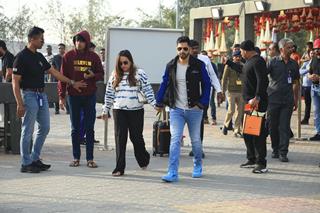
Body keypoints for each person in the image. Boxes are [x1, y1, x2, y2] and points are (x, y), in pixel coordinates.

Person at [12, 26, 87, 173]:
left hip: (41, 96)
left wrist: (71, 82)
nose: (43, 41)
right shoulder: (21, 57)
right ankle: (25, 163)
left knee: (45, 127)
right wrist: (20, 103)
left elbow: (54, 72)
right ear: (32, 39)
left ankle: (35, 158)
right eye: (41, 38)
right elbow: (15, 82)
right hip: (29, 95)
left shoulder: (39, 57)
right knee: (27, 130)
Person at [156, 36, 211, 182]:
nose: (182, 51)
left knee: (196, 141)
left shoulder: (198, 65)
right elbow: (164, 83)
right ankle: (172, 172)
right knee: (175, 139)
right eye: (179, 49)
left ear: (189, 49)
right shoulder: (171, 65)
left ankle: (197, 165)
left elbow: (207, 84)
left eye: (185, 48)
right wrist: (159, 101)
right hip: (176, 110)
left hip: (195, 109)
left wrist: (202, 103)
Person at [102, 50, 155, 176]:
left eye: (125, 62)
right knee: (120, 138)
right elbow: (109, 93)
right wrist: (106, 110)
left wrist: (155, 104)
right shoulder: (115, 75)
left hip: (136, 111)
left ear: (131, 61)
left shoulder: (139, 73)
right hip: (119, 110)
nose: (123, 66)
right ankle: (119, 168)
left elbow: (148, 90)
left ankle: (143, 158)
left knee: (136, 137)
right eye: (120, 64)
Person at [58, 30, 104, 168]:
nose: (79, 43)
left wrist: (92, 76)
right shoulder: (68, 56)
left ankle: (90, 158)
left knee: (90, 127)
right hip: (73, 97)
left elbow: (101, 74)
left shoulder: (94, 57)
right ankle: (76, 157)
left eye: (82, 41)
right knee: (75, 128)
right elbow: (62, 77)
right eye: (77, 40)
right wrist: (61, 97)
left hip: (89, 96)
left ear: (87, 42)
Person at [223, 40, 269, 173]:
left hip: (256, 103)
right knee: (248, 132)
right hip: (248, 103)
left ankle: (261, 163)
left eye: (242, 51)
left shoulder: (258, 61)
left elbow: (263, 80)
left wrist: (258, 97)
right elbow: (243, 71)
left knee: (257, 133)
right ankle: (252, 158)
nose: (241, 54)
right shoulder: (249, 62)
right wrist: (229, 63)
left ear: (247, 50)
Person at [267, 38, 300, 162]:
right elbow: (263, 77)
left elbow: (296, 82)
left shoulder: (294, 64)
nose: (292, 49)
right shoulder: (272, 62)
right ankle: (275, 148)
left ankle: (283, 152)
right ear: (281, 49)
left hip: (287, 100)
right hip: (273, 99)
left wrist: (296, 99)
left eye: (292, 47)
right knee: (272, 126)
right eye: (289, 47)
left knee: (284, 127)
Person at [189, 39, 223, 158]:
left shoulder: (204, 59)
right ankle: (193, 145)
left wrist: (219, 90)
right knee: (190, 124)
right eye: (193, 48)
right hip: (185, 99)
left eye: (197, 48)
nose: (195, 50)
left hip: (202, 98)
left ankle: (198, 148)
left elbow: (213, 75)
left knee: (199, 123)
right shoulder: (182, 60)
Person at [221, 50, 244, 137]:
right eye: (236, 56)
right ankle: (226, 125)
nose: (238, 58)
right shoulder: (229, 66)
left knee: (240, 111)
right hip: (231, 91)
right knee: (231, 110)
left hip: (241, 91)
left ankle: (237, 130)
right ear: (233, 57)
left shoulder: (243, 66)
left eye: (239, 56)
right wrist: (223, 91)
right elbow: (224, 79)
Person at [308, 38, 320, 141]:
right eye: (315, 48)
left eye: (319, 48)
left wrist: (318, 78)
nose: (317, 51)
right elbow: (309, 72)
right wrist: (310, 76)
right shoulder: (314, 59)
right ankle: (318, 132)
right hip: (314, 88)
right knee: (316, 111)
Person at [300, 50, 314, 125]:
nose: (313, 54)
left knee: (316, 104)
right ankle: (306, 119)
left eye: (314, 53)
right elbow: (300, 71)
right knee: (307, 103)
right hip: (306, 86)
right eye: (311, 53)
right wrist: (308, 70)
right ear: (309, 54)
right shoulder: (307, 63)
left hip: (314, 86)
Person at [52, 43, 67, 114]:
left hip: (65, 77)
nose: (60, 49)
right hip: (57, 77)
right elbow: (53, 67)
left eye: (62, 48)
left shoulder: (67, 57)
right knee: (56, 93)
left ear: (64, 49)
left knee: (66, 92)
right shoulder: (55, 57)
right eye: (59, 48)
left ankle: (68, 109)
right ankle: (56, 109)